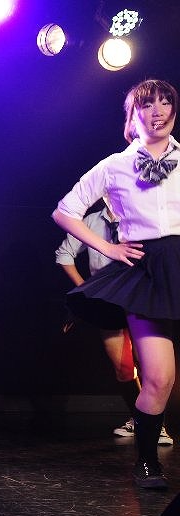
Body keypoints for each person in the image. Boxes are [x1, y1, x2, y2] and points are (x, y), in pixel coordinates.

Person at [52, 79, 180, 490]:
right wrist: (107, 246)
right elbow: (65, 211)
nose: (159, 110)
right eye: (148, 104)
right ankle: (147, 463)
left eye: (166, 102)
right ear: (133, 116)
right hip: (146, 273)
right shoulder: (114, 165)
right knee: (158, 378)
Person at [55, 198, 173, 445]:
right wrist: (88, 292)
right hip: (107, 301)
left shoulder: (141, 216)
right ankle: (138, 419)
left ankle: (157, 426)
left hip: (139, 297)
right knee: (123, 368)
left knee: (151, 366)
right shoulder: (90, 222)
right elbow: (64, 255)